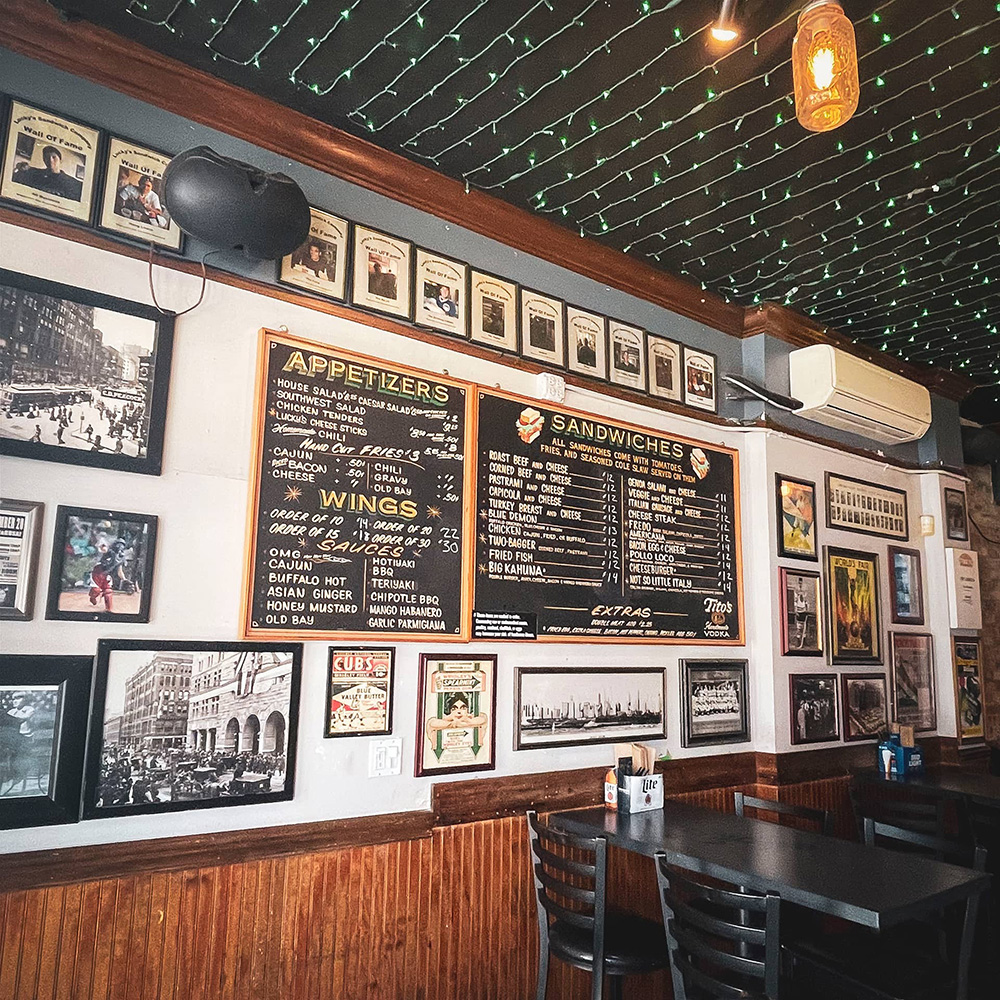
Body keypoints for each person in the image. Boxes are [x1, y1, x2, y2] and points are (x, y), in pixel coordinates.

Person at [14, 144, 84, 201]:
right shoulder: (35, 174)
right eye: (47, 157)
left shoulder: (72, 183)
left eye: (54, 157)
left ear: (60, 160)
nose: (50, 160)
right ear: (44, 160)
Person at [87, 536, 131, 611]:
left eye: (122, 545)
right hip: (97, 572)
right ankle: (92, 597)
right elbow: (102, 548)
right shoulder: (108, 552)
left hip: (107, 574)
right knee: (96, 590)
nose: (119, 547)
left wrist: (124, 579)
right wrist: (103, 545)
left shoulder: (121, 558)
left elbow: (119, 570)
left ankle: (108, 609)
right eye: (118, 545)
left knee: (108, 591)